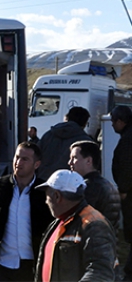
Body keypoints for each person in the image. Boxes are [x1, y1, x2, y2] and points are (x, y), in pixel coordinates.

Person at [0, 142, 53, 282]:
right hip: (2, 263)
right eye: (17, 157)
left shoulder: (44, 191)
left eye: (25, 159)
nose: (18, 162)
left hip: (32, 264)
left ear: (36, 164)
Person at [34, 169, 116, 281]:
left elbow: (100, 272)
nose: (46, 202)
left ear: (57, 196)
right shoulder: (58, 222)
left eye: (47, 196)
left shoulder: (94, 225)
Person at [68, 140, 121, 229]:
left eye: (74, 157)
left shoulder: (89, 187)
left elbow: (80, 221)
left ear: (89, 161)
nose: (70, 162)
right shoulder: (108, 184)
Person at [37, 106, 93, 181]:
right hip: (70, 184)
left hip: (43, 181)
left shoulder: (48, 135)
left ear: (67, 117)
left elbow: (35, 156)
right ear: (84, 123)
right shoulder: (85, 141)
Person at [111, 105, 132, 279]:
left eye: (113, 121)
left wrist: (123, 189)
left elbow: (126, 165)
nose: (111, 125)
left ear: (120, 121)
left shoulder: (128, 139)